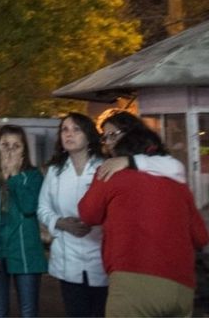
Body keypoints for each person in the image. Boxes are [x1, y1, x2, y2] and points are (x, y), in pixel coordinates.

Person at [38, 112, 189, 317]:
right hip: (68, 256)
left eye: (76, 129)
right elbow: (43, 208)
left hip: (103, 259)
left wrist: (129, 161)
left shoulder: (110, 165)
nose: (69, 134)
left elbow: (97, 212)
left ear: (89, 136)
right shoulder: (55, 171)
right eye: (64, 130)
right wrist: (59, 222)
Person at [79, 124, 209, 317]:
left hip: (133, 282)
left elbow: (87, 214)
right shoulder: (179, 187)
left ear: (123, 153)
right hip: (182, 287)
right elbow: (201, 237)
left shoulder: (111, 174)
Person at [0, 125, 47, 318]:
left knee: (28, 311)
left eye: (16, 146)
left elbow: (29, 207)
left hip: (25, 251)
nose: (10, 151)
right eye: (5, 145)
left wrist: (13, 177)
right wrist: (2, 177)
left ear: (24, 150)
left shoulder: (33, 176)